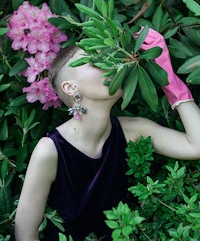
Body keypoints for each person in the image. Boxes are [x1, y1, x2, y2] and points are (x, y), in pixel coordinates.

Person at [14, 28, 200, 241]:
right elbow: (25, 234)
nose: (110, 65)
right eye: (94, 63)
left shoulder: (133, 130)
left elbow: (197, 146)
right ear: (71, 87)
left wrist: (168, 79)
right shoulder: (50, 151)